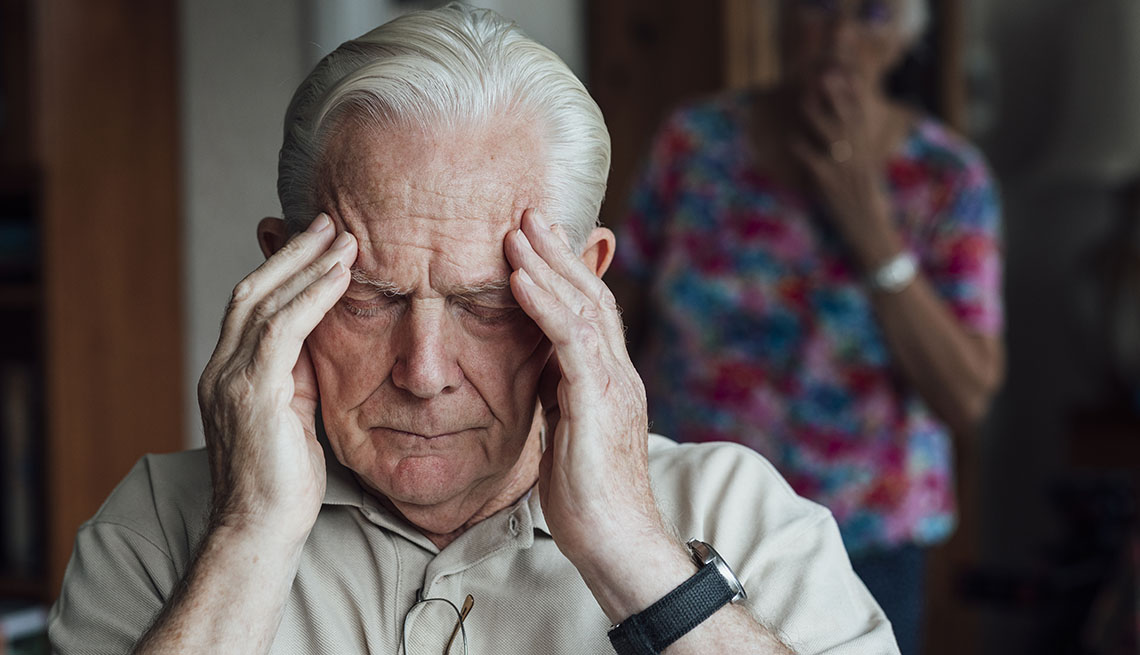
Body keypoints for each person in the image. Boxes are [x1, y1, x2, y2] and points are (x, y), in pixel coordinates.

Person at [48, 5, 899, 654]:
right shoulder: (161, 525)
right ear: (280, 273)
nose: (424, 371)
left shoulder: (742, 514)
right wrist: (247, 537)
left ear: (585, 285)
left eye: (487, 305)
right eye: (369, 297)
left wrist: (634, 553)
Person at [610, 0, 1004, 652]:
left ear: (906, 41)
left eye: (871, 15)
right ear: (784, 21)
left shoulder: (946, 178)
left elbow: (966, 394)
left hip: (865, 541)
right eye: (820, 8)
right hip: (685, 517)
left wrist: (868, 222)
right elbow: (619, 307)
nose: (839, 36)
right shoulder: (695, 140)